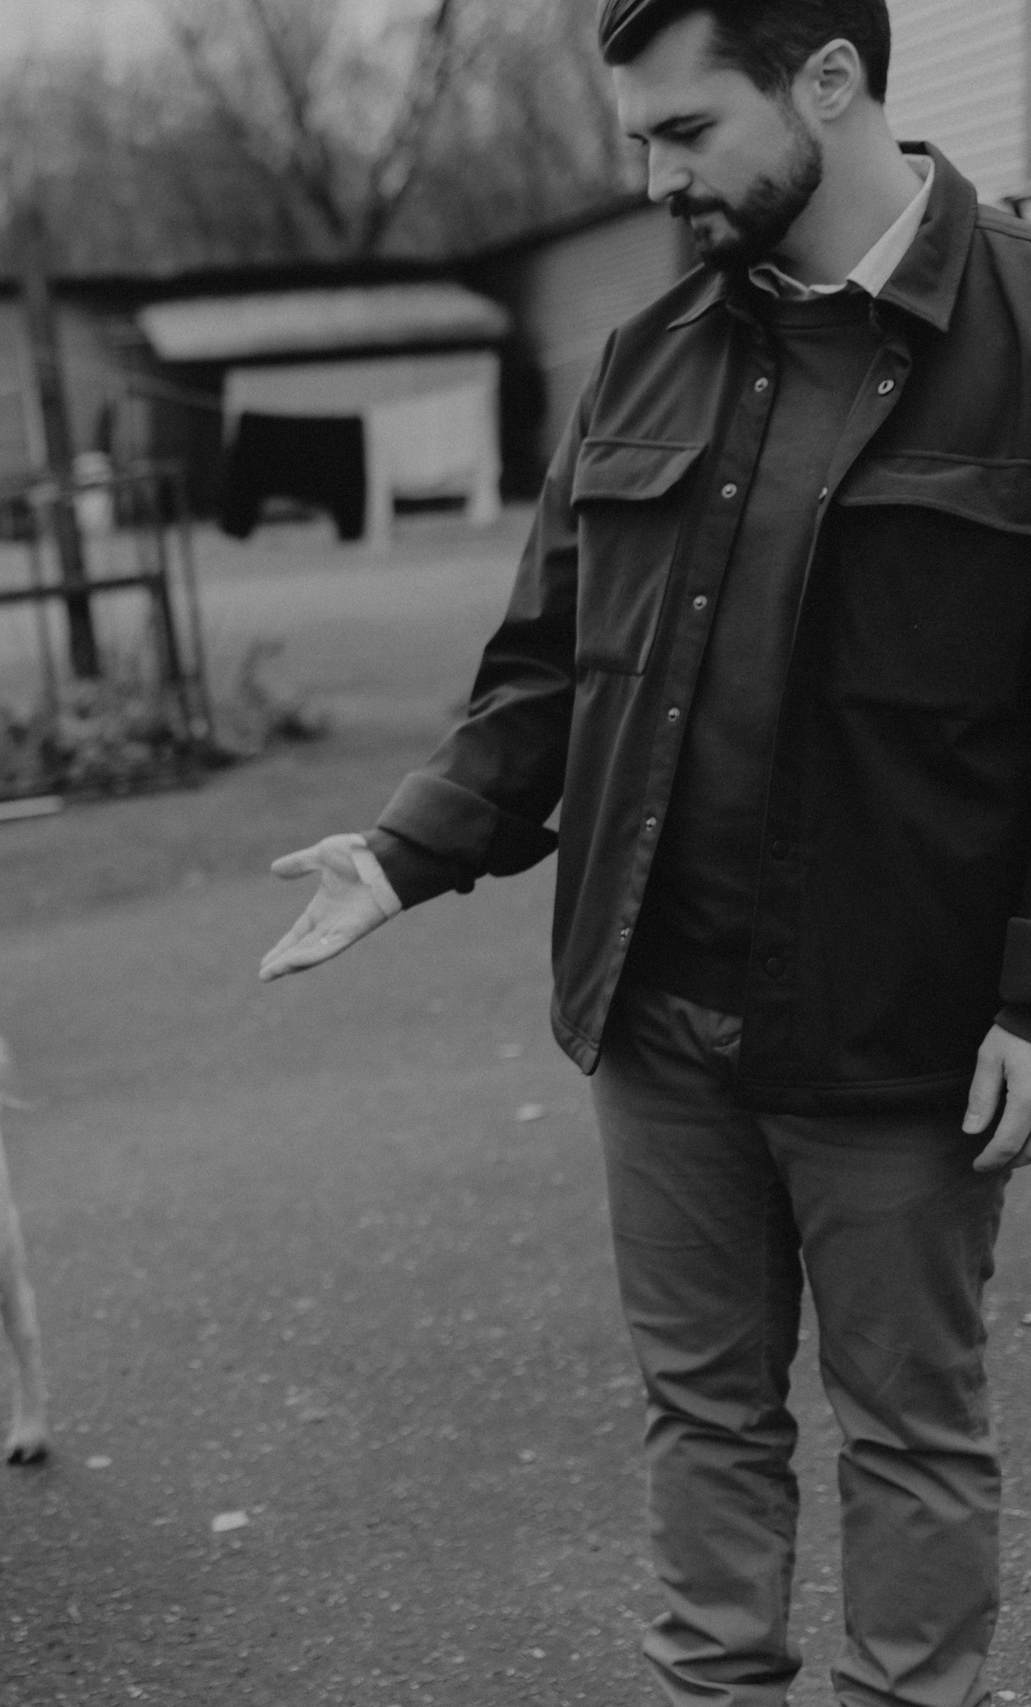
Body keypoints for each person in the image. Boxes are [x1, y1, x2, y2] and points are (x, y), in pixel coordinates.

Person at [261, 3, 1031, 1702]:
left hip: (897, 1035)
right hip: (659, 1017)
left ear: (829, 80)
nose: (657, 178)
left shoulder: (1025, 334)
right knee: (703, 1420)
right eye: (640, 140)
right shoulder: (645, 354)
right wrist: (400, 855)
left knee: (910, 1432)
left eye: (687, 133)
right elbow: (546, 674)